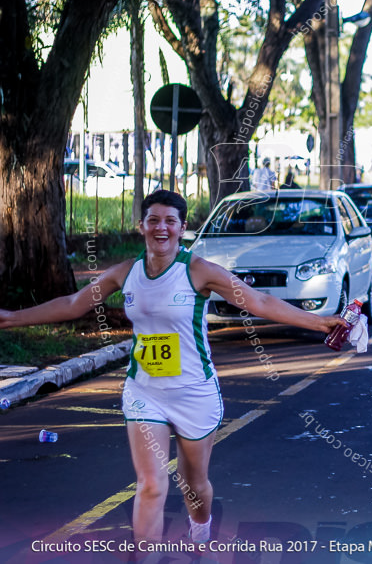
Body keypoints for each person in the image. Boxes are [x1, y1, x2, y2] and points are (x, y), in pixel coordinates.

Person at [0, 190, 346, 545]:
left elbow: (258, 300)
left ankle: (200, 535)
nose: (160, 228)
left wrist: (317, 322)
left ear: (182, 229)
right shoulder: (125, 273)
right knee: (151, 485)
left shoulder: (198, 272)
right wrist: (11, 318)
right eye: (153, 220)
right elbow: (74, 303)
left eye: (170, 221)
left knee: (194, 484)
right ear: (141, 226)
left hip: (194, 393)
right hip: (144, 392)